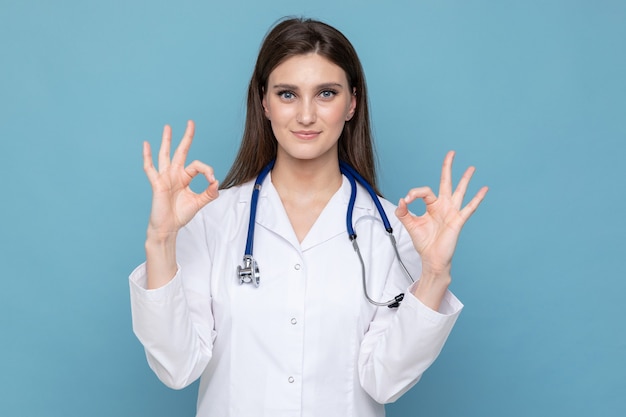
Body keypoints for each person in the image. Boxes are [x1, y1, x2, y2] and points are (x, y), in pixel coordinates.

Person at [129, 17, 488, 417]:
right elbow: (177, 367)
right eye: (287, 94)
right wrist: (161, 240)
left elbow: (385, 382)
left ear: (352, 103)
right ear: (263, 101)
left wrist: (434, 274)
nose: (305, 116)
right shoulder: (213, 219)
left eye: (325, 94)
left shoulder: (392, 230)